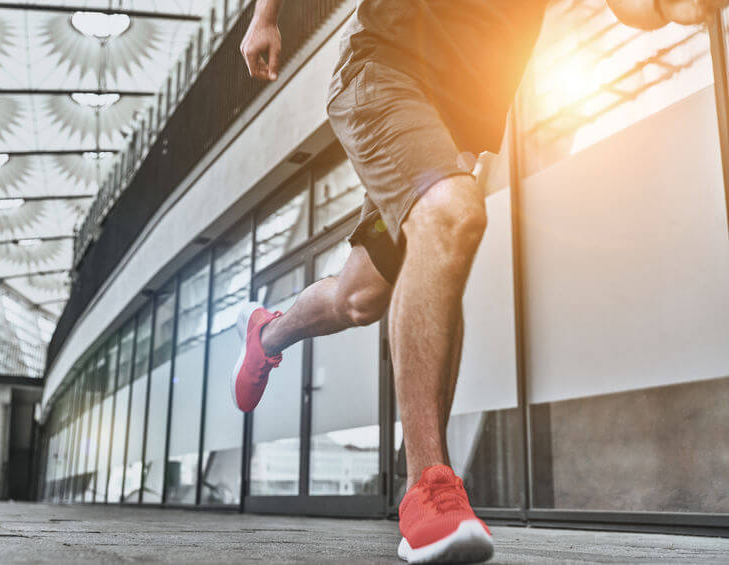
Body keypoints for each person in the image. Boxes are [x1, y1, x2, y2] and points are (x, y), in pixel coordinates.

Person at [232, 1, 724, 562]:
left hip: (449, 126)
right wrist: (264, 17)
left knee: (358, 298)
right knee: (451, 214)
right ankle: (428, 487)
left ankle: (266, 334)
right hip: (383, 71)